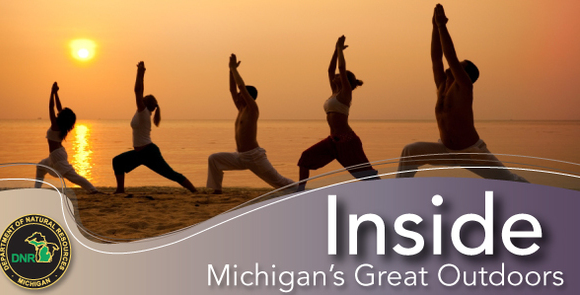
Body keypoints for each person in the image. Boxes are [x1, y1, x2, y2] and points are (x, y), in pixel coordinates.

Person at [396, 4, 527, 182]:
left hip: (471, 152)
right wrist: (434, 27)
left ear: (465, 74)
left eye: (460, 65)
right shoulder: (442, 85)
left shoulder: (464, 87)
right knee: (410, 151)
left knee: (511, 182)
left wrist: (442, 26)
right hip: (446, 150)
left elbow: (450, 55)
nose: (453, 66)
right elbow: (436, 58)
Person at [297, 36, 379, 190]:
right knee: (305, 159)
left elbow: (341, 69)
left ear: (344, 80)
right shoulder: (334, 92)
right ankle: (299, 191)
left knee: (366, 176)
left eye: (338, 76)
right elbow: (330, 69)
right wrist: (335, 50)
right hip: (332, 142)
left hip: (347, 141)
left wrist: (341, 51)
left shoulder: (345, 93)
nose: (334, 76)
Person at [206, 54, 295, 194]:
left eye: (242, 94)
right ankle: (216, 190)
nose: (238, 95)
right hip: (240, 156)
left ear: (247, 96)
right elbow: (232, 89)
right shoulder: (240, 109)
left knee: (279, 182)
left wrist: (235, 70)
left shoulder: (252, 109)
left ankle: (301, 190)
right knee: (214, 159)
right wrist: (230, 70)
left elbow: (240, 87)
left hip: (253, 156)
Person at [112, 61, 198, 194]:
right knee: (117, 161)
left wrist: (139, 73)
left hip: (149, 153)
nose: (141, 98)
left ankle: (194, 190)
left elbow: (137, 91)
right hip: (140, 153)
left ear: (145, 104)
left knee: (170, 174)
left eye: (143, 99)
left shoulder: (143, 113)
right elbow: (141, 91)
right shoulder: (143, 113)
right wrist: (143, 73)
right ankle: (120, 190)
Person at [35, 82, 99, 193]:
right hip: (55, 155)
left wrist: (52, 92)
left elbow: (51, 107)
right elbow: (59, 108)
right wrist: (56, 93)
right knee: (40, 166)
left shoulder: (55, 125)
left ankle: (93, 190)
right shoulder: (62, 126)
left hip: (57, 156)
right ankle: (36, 191)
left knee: (73, 177)